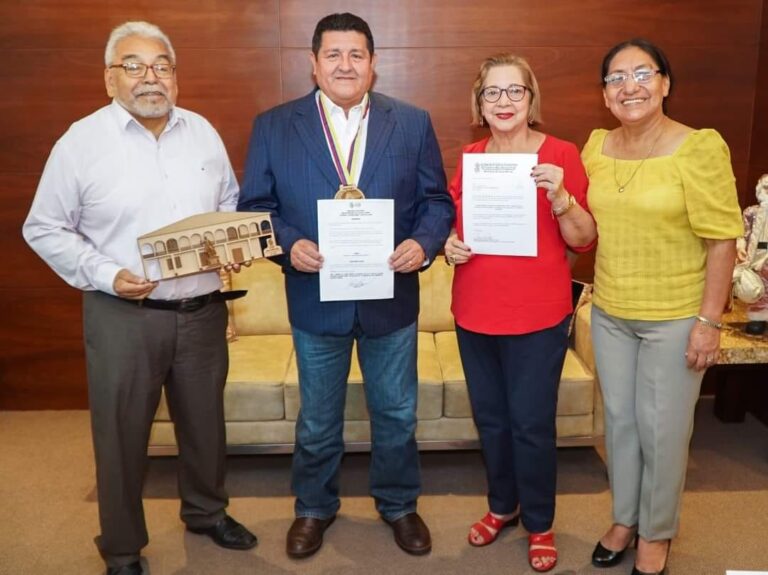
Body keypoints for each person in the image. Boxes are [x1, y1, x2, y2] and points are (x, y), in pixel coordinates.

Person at [22, 21, 257, 575]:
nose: (150, 77)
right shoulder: (80, 142)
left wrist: (232, 244)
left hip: (201, 311)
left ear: (175, 77)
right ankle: (123, 548)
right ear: (110, 78)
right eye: (134, 65)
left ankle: (205, 512)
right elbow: (44, 227)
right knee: (122, 435)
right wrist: (105, 273)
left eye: (162, 66)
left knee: (205, 426)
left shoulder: (202, 132)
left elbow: (228, 202)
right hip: (123, 314)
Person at [238, 12, 454, 560]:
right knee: (316, 418)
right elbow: (255, 209)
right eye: (333, 54)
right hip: (315, 299)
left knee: (397, 414)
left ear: (373, 64)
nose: (345, 64)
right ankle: (313, 507)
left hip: (391, 297)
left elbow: (436, 202)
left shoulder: (411, 122)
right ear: (313, 64)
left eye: (356, 54)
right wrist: (289, 244)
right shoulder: (273, 125)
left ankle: (399, 504)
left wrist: (423, 245)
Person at [582, 39, 743, 575]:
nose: (630, 86)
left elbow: (723, 238)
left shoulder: (698, 147)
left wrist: (708, 321)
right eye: (616, 78)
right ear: (605, 95)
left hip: (675, 317)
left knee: (664, 432)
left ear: (665, 83)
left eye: (642, 74)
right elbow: (580, 224)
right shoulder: (596, 147)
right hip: (610, 312)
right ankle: (624, 519)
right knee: (621, 427)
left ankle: (656, 533)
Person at [442, 53, 596, 572]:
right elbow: (454, 225)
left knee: (531, 424)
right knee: (492, 421)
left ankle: (540, 521)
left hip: (538, 315)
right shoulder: (471, 158)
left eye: (515, 91)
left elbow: (585, 236)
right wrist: (450, 245)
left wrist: (561, 197)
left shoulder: (561, 155)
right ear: (479, 103)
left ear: (532, 100)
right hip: (475, 311)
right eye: (492, 92)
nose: (503, 102)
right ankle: (502, 506)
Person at [734, 174, 768, 334]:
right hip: (757, 255)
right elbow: (743, 232)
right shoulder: (751, 212)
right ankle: (758, 319)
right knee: (758, 287)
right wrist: (740, 246)